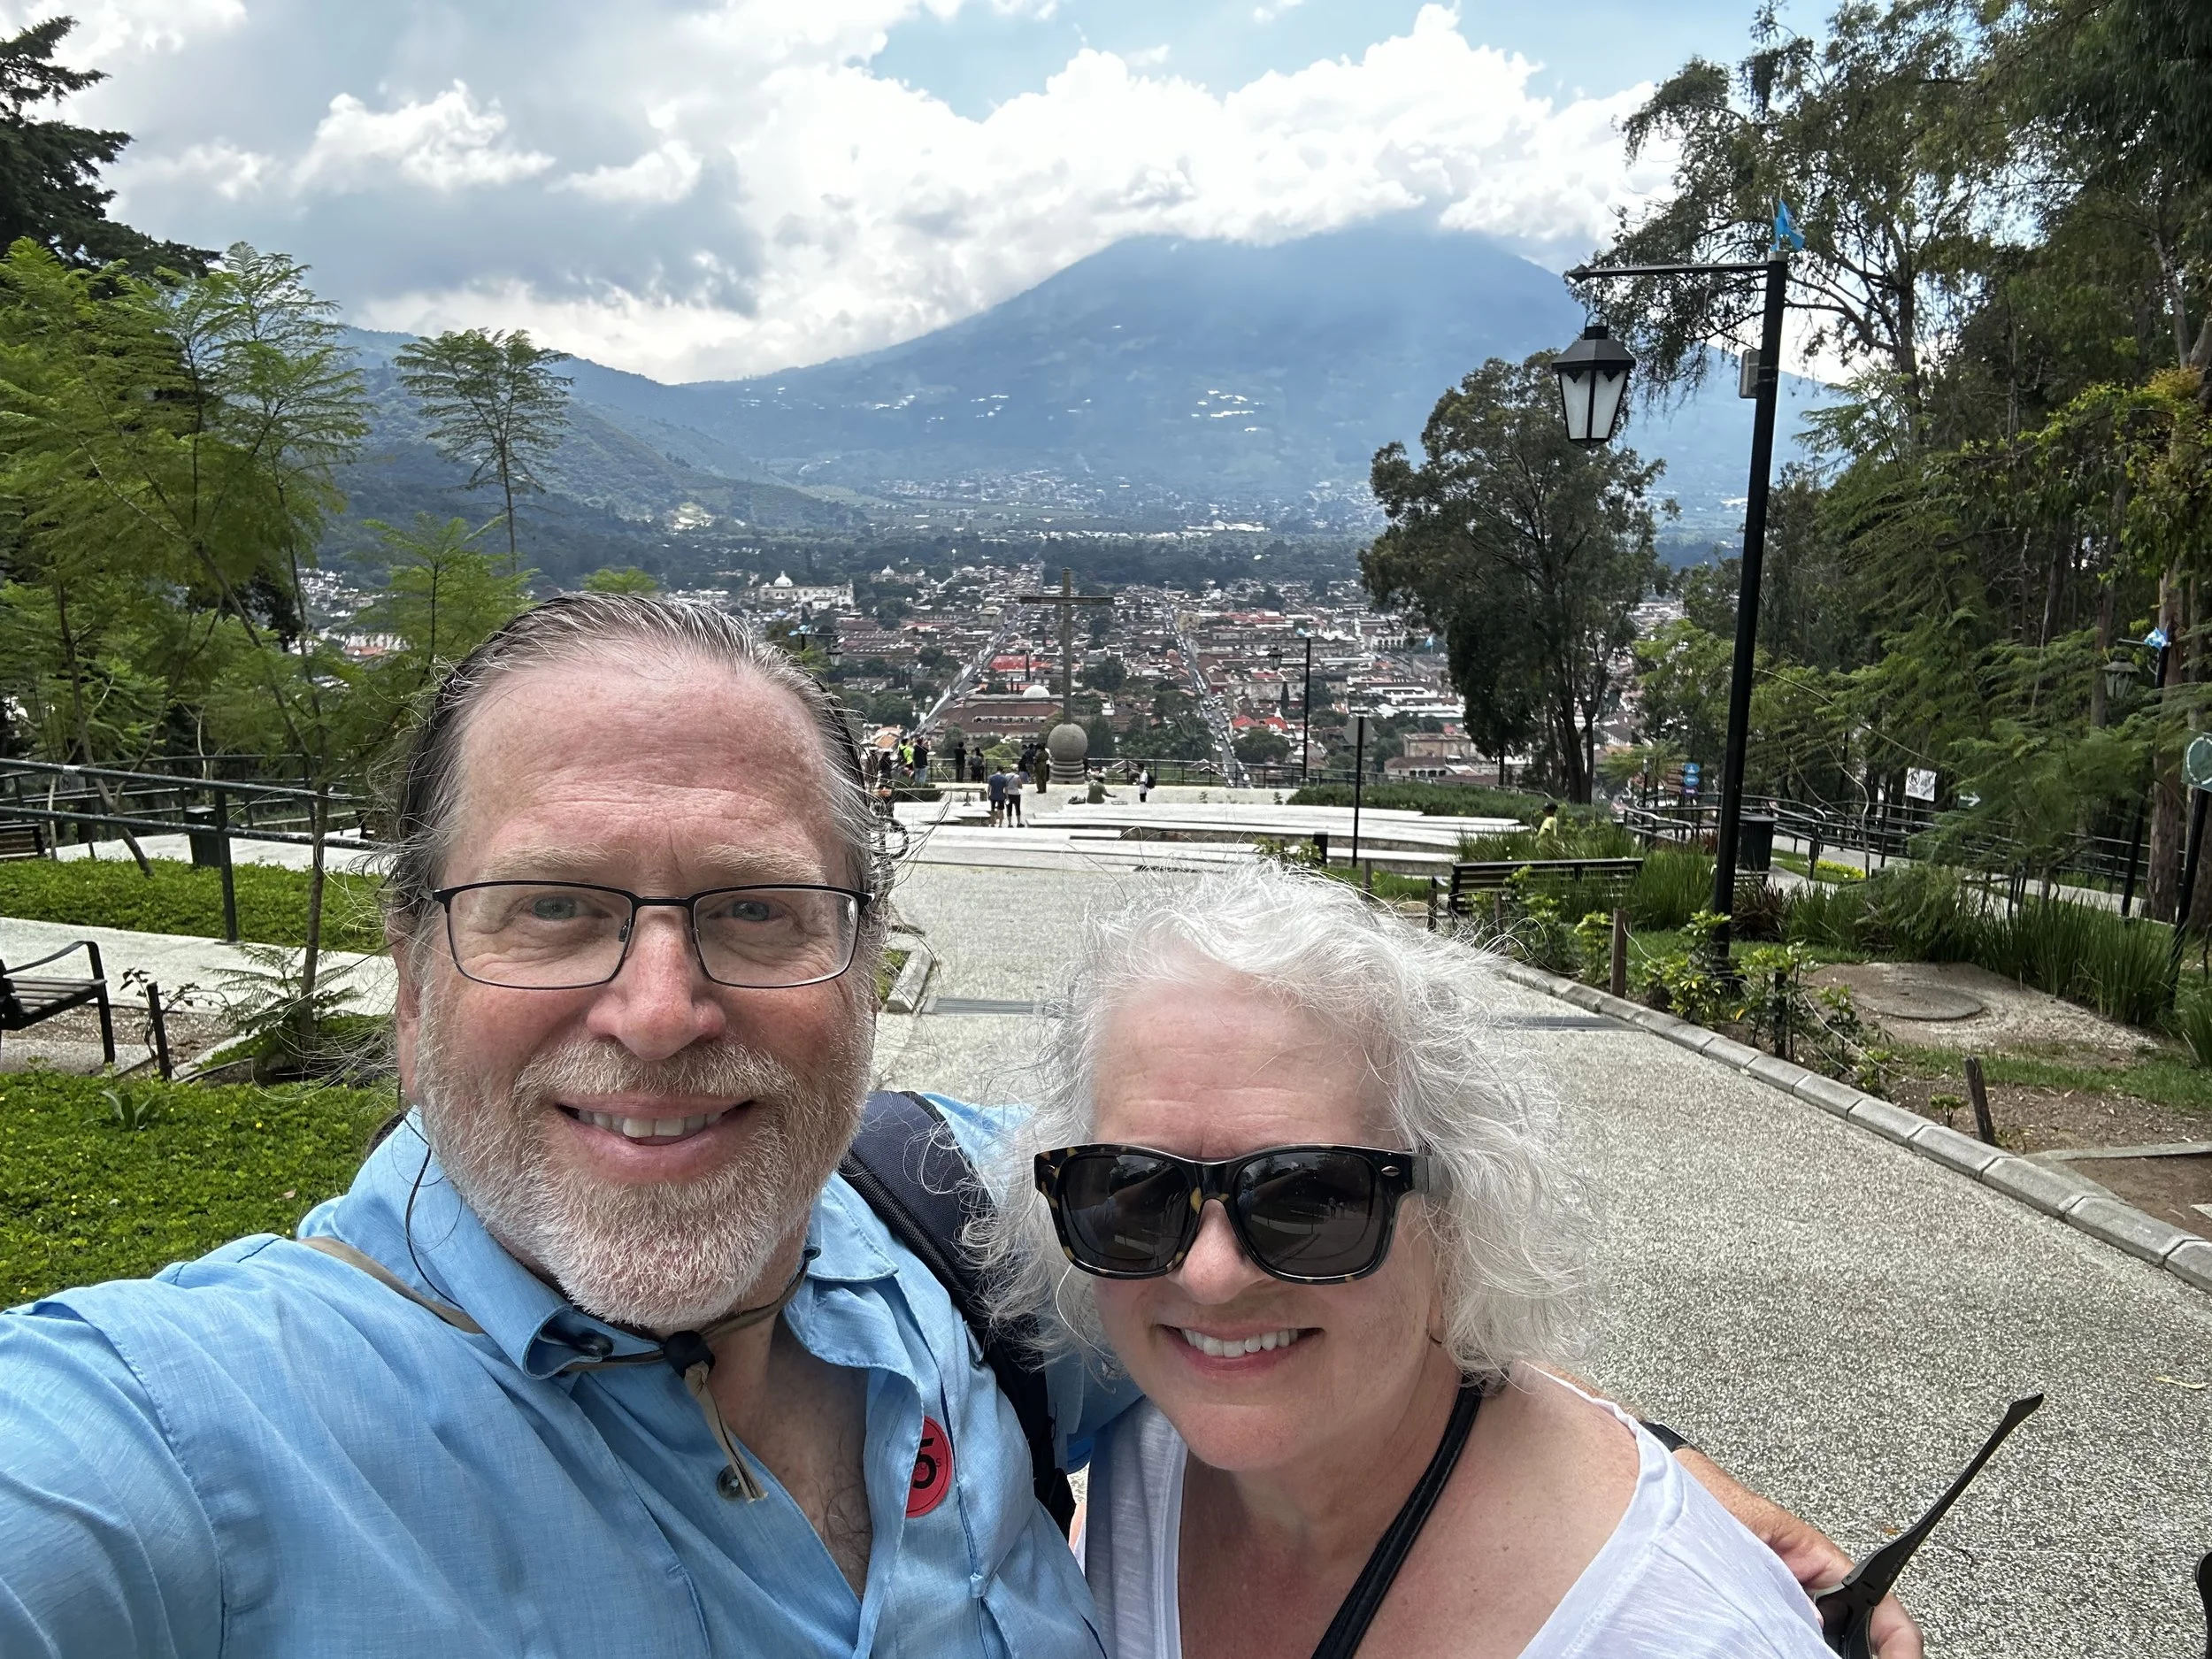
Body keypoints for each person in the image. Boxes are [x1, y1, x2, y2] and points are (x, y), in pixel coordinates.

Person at [0, 596, 1916, 1657]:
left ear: (862, 959)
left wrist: (1636, 1478)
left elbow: (1307, 1230)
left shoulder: (964, 1221)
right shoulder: (177, 1437)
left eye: (756, 911)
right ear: (413, 966)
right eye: (553, 907)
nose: (659, 1010)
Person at [979, 865, 1838, 1659]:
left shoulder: (1692, 1632)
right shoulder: (1144, 1442)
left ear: (1457, 1218)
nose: (1207, 1275)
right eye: (1134, 1191)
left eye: (1308, 1200)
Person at [987, 762, 1009, 826]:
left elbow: (989, 787)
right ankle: (1000, 824)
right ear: (1002, 770)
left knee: (992, 810)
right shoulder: (1004, 778)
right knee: (1001, 810)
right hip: (1001, 796)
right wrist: (1007, 797)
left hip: (993, 796)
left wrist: (988, 795)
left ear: (997, 770)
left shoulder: (991, 777)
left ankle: (992, 824)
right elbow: (1006, 789)